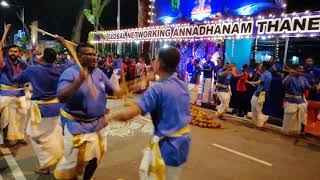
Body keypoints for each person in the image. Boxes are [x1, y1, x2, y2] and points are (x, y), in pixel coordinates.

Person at [105, 47, 191, 180]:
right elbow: (160, 83)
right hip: (182, 144)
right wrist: (139, 82)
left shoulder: (156, 90)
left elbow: (128, 114)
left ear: (159, 64)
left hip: (167, 148)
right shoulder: (182, 84)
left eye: (156, 60)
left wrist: (109, 117)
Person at [54, 43, 122, 179]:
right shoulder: (70, 74)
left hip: (99, 124)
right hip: (76, 126)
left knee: (97, 156)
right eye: (89, 54)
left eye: (94, 54)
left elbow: (112, 90)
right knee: (72, 164)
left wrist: (121, 91)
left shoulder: (99, 73)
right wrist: (78, 81)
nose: (94, 57)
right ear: (79, 57)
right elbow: (61, 97)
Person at [13, 48, 72, 174]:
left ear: (43, 57)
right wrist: (65, 44)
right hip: (56, 107)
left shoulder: (33, 69)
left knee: (37, 137)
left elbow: (17, 79)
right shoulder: (60, 69)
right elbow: (72, 61)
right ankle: (59, 156)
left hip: (42, 110)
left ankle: (48, 163)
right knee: (54, 133)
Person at [0, 43, 28, 147]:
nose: (13, 53)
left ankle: (20, 136)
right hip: (5, 93)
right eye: (11, 51)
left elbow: (30, 72)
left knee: (23, 114)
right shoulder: (4, 62)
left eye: (15, 51)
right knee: (6, 116)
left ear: (20, 53)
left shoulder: (23, 64)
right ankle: (7, 139)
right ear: (7, 53)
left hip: (20, 93)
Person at [282, 65, 310, 135]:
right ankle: (288, 132)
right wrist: (289, 75)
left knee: (303, 116)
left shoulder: (303, 79)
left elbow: (309, 87)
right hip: (290, 100)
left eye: (302, 69)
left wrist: (316, 87)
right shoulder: (290, 77)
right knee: (290, 118)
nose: (300, 70)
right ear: (295, 69)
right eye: (299, 69)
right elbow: (283, 83)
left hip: (301, 100)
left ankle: (300, 131)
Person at [248, 61, 272, 127]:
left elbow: (259, 82)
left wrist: (250, 82)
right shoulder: (269, 73)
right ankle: (257, 122)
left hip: (259, 93)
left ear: (264, 67)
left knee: (256, 108)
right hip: (263, 93)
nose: (259, 66)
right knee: (256, 106)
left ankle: (263, 119)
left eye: (260, 65)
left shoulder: (264, 74)